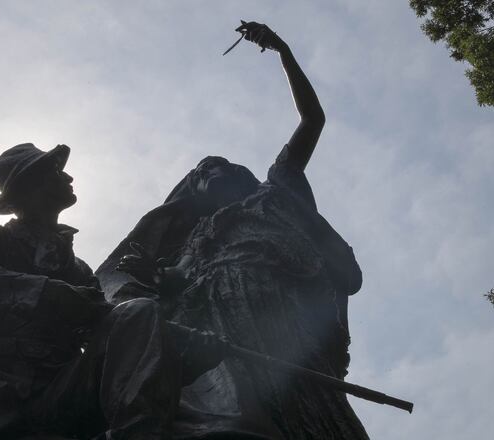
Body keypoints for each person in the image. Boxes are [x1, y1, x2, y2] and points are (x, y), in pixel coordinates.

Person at [96, 22, 369, 439]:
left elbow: (313, 119)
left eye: (217, 165)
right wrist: (155, 280)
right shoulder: (199, 235)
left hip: (280, 317)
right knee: (229, 418)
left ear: (241, 173)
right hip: (213, 325)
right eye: (202, 172)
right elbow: (174, 282)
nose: (209, 173)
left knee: (307, 412)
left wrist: (283, 51)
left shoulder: (276, 190)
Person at [0, 143, 186, 440]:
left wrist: (187, 332)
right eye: (56, 172)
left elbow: (107, 325)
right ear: (31, 185)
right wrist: (46, 292)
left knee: (138, 311)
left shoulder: (78, 269)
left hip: (61, 388)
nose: (69, 178)